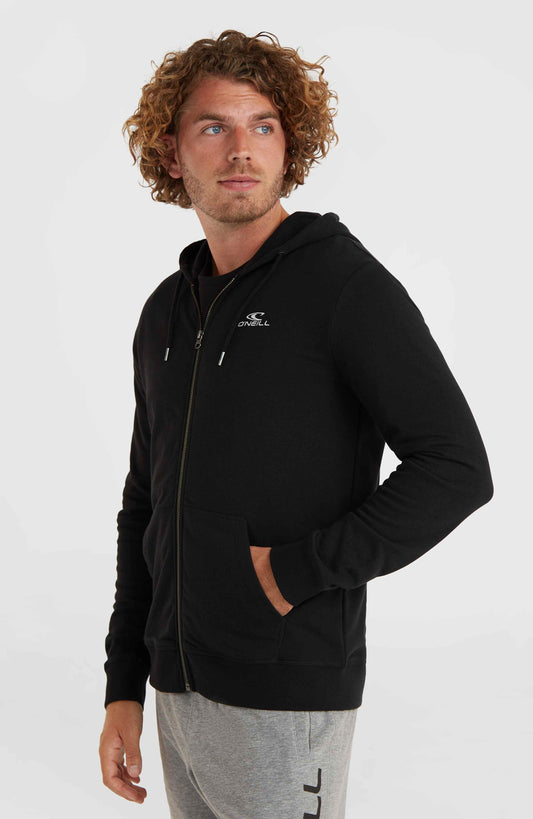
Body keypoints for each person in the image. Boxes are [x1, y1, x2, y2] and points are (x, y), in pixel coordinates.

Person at [99, 29, 494, 818]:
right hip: (176, 691)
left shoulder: (341, 286)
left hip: (283, 695)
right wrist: (123, 687)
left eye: (264, 125)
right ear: (171, 153)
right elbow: (145, 503)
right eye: (213, 126)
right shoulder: (166, 314)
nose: (241, 149)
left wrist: (294, 573)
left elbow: (455, 468)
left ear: (290, 146)